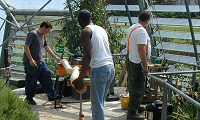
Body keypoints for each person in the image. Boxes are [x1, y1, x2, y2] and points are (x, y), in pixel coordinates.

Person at [72, 9, 115, 120]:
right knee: (100, 104)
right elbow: (100, 51)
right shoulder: (101, 29)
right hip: (110, 67)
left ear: (81, 20)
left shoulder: (86, 31)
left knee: (96, 107)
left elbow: (88, 55)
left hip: (100, 69)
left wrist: (81, 78)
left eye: (79, 22)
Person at [23, 21, 61, 105]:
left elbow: (46, 47)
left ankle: (51, 94)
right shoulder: (33, 34)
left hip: (40, 61)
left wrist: (55, 57)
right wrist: (31, 59)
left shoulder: (43, 35)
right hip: (31, 62)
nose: (48, 32)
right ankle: (29, 98)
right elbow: (26, 47)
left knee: (47, 75)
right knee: (32, 80)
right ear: (44, 27)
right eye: (48, 30)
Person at [126, 11, 151, 119]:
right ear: (147, 21)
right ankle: (132, 114)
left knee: (132, 86)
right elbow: (141, 49)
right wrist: (145, 65)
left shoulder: (132, 28)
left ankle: (135, 107)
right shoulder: (141, 31)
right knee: (139, 88)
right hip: (137, 62)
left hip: (131, 59)